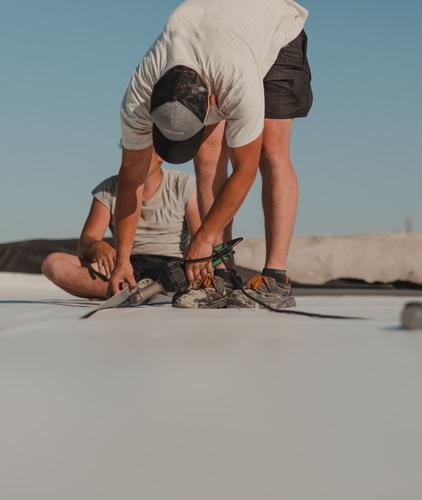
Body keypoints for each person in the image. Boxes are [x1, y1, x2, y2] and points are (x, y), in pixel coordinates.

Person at [110, 0, 312, 310]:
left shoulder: (236, 81)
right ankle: (220, 272)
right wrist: (122, 258)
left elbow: (244, 171)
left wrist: (201, 237)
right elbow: (131, 177)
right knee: (205, 156)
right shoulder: (140, 92)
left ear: (213, 100)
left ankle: (275, 278)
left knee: (270, 152)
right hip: (214, 36)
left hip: (273, 29)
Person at [42, 152, 201, 299]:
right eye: (130, 150)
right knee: (53, 264)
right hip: (125, 267)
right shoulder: (108, 188)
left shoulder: (183, 184)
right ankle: (133, 290)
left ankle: (146, 291)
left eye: (143, 150)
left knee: (201, 266)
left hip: (171, 269)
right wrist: (97, 247)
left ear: (160, 155)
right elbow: (86, 242)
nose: (134, 155)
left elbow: (199, 243)